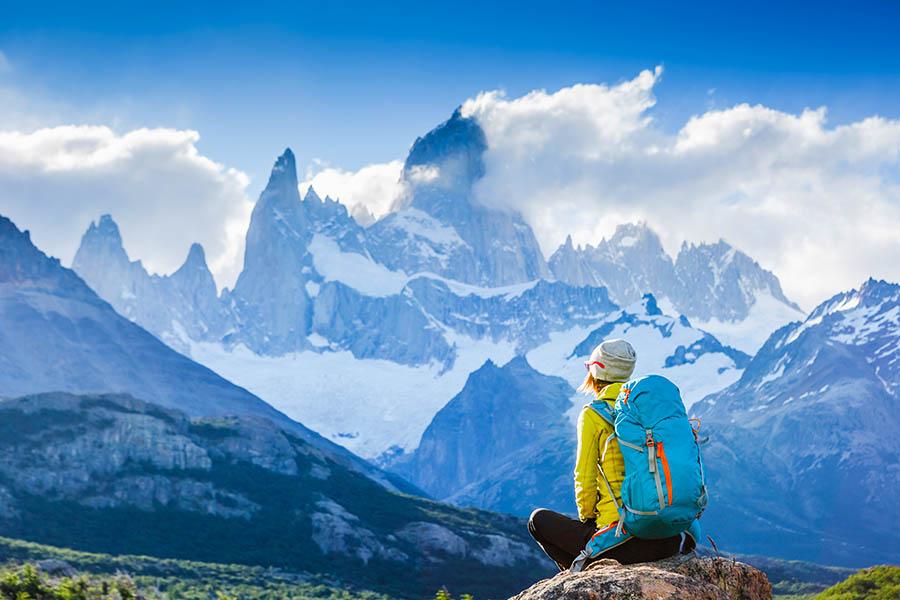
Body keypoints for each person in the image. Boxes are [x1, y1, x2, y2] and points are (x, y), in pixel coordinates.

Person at [528, 338, 692, 571]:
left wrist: (589, 520)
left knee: (538, 520)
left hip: (622, 540)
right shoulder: (648, 410)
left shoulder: (593, 414)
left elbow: (584, 480)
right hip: (671, 538)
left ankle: (580, 579)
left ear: (595, 371)